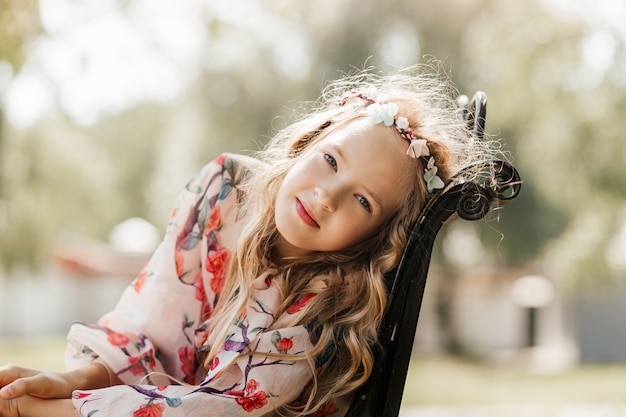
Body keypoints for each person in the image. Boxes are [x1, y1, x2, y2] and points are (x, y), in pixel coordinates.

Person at [0, 65, 496, 417]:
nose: (326, 197)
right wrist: (73, 381)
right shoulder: (225, 188)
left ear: (377, 237)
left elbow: (212, 411)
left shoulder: (333, 302)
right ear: (307, 142)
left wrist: (40, 411)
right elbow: (149, 328)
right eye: (330, 160)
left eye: (362, 202)